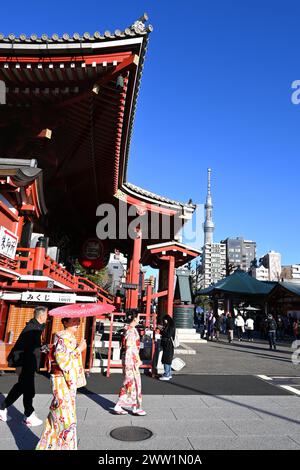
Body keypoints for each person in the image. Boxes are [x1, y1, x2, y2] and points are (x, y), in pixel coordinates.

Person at [36, 317, 87, 450]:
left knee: (58, 419)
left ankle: (48, 447)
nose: (78, 323)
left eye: (78, 320)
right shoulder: (63, 338)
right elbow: (63, 362)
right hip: (62, 382)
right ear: (65, 322)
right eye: (74, 320)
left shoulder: (68, 338)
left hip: (66, 382)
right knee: (67, 420)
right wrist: (79, 350)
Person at [0, 306, 48, 425]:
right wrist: (19, 365)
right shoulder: (30, 329)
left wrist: (41, 348)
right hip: (26, 364)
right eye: (46, 315)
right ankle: (29, 415)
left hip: (29, 363)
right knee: (28, 390)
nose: (47, 317)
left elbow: (31, 347)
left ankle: (2, 408)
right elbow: (19, 348)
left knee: (21, 388)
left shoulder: (36, 328)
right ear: (42, 316)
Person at [113, 310, 146, 416]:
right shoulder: (131, 331)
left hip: (129, 359)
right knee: (131, 383)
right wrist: (136, 361)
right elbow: (130, 349)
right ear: (135, 318)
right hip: (131, 360)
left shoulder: (129, 329)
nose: (139, 319)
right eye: (139, 316)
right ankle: (120, 405)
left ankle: (135, 406)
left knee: (132, 383)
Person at [159, 314, 176, 381]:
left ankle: (166, 374)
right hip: (168, 344)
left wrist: (162, 330)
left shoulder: (171, 326)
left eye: (164, 320)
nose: (164, 322)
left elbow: (168, 335)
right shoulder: (171, 325)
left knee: (166, 359)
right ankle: (168, 373)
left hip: (168, 344)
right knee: (168, 359)